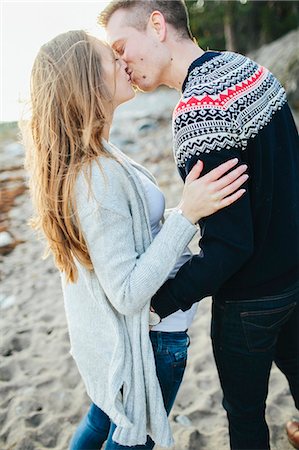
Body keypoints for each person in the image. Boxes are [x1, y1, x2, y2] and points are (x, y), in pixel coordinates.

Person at [22, 30, 248, 449]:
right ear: (87, 83)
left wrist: (185, 214)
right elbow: (126, 292)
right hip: (151, 341)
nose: (123, 61)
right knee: (130, 440)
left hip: (127, 341)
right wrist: (188, 214)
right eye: (110, 59)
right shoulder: (97, 177)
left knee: (101, 422)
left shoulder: (96, 157)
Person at [99, 1, 299, 449]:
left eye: (121, 47)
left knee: (246, 417)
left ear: (156, 25)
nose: (121, 62)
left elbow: (229, 246)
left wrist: (160, 303)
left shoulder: (197, 111)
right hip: (296, 277)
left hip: (250, 302)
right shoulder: (250, 70)